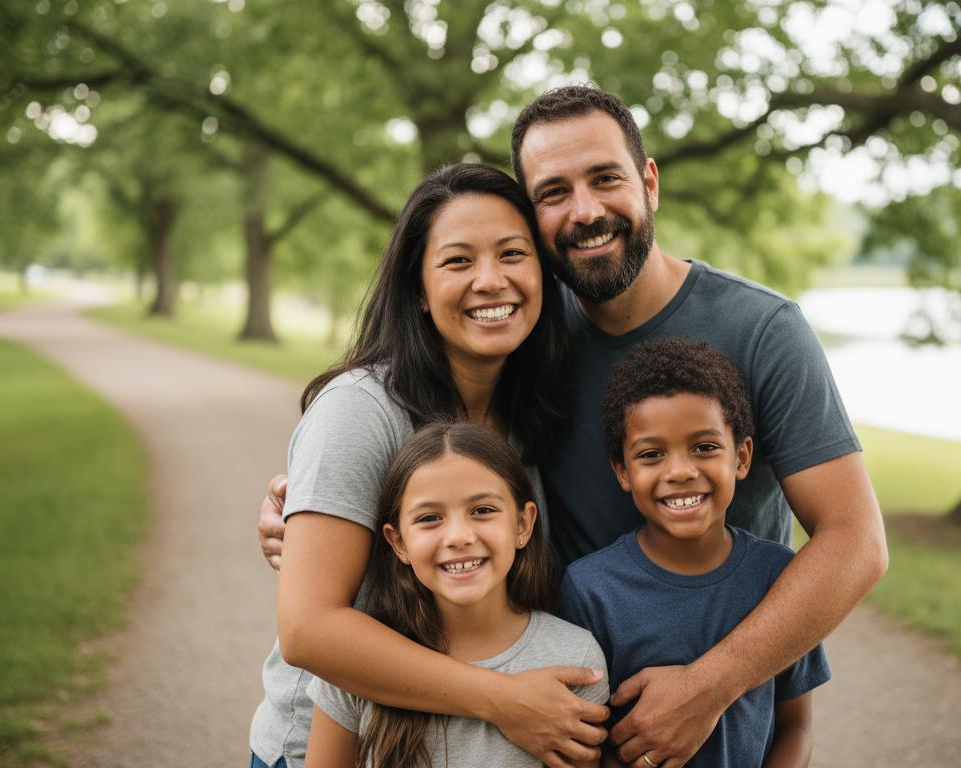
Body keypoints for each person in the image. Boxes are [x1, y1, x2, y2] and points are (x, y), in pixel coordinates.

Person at [261, 85, 888, 767]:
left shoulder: (759, 331)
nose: (585, 210)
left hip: (665, 729)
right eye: (554, 192)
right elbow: (315, 613)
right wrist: (316, 510)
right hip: (393, 737)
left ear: (650, 183)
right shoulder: (523, 330)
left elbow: (855, 542)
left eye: (606, 178)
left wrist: (709, 687)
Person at [249, 163, 610, 768]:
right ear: (417, 288)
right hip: (343, 748)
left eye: (512, 254)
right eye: (458, 261)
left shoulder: (530, 410)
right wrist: (503, 699)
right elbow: (308, 630)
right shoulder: (360, 411)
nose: (490, 280)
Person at [558, 338, 827, 768]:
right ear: (622, 471)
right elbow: (585, 740)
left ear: (741, 457)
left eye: (704, 447)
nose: (680, 471)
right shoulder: (590, 588)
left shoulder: (779, 575)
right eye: (651, 454)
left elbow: (797, 726)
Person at [306, 421, 608, 767]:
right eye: (430, 518)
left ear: (523, 524)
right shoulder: (358, 660)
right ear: (398, 542)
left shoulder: (574, 658)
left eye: (482, 511)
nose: (459, 537)